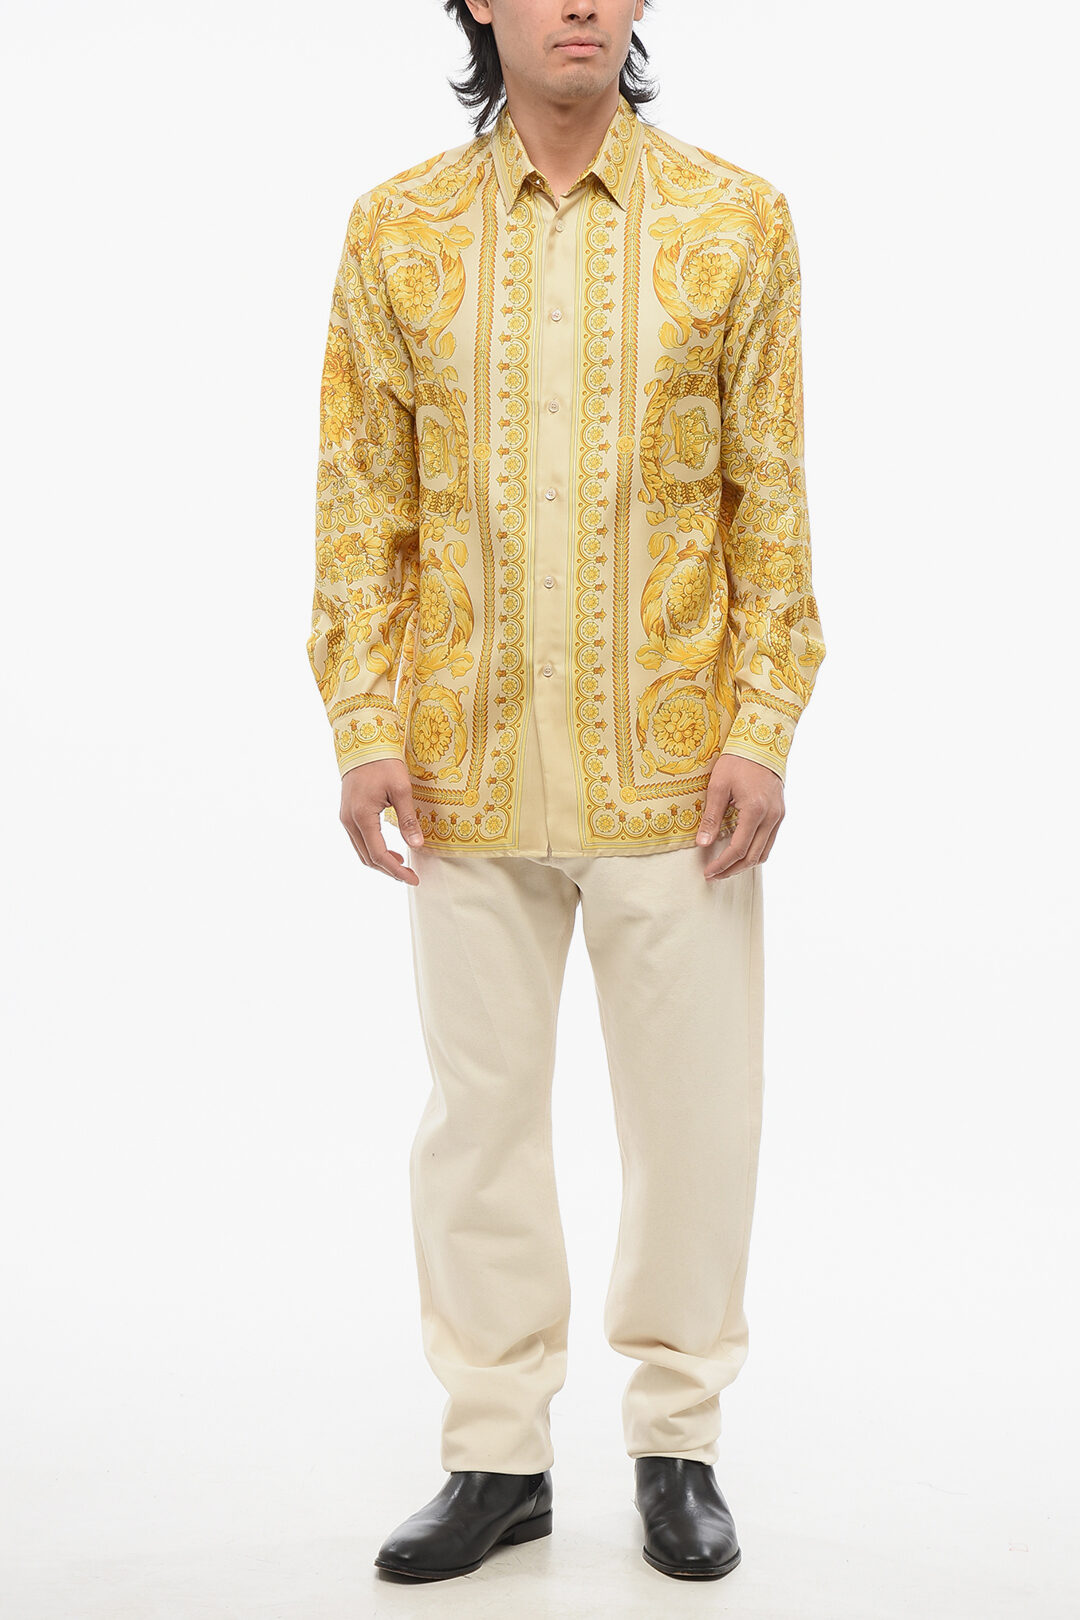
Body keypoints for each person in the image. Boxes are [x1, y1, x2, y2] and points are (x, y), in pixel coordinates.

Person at [306, 0, 826, 1585]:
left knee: (695, 1121)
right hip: (461, 764)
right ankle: (495, 1458)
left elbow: (769, 502)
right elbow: (361, 503)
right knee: (476, 1126)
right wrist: (362, 718)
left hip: (677, 774)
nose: (581, 5)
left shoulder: (735, 221)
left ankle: (678, 1444)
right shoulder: (397, 230)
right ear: (481, 1)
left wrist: (762, 724)